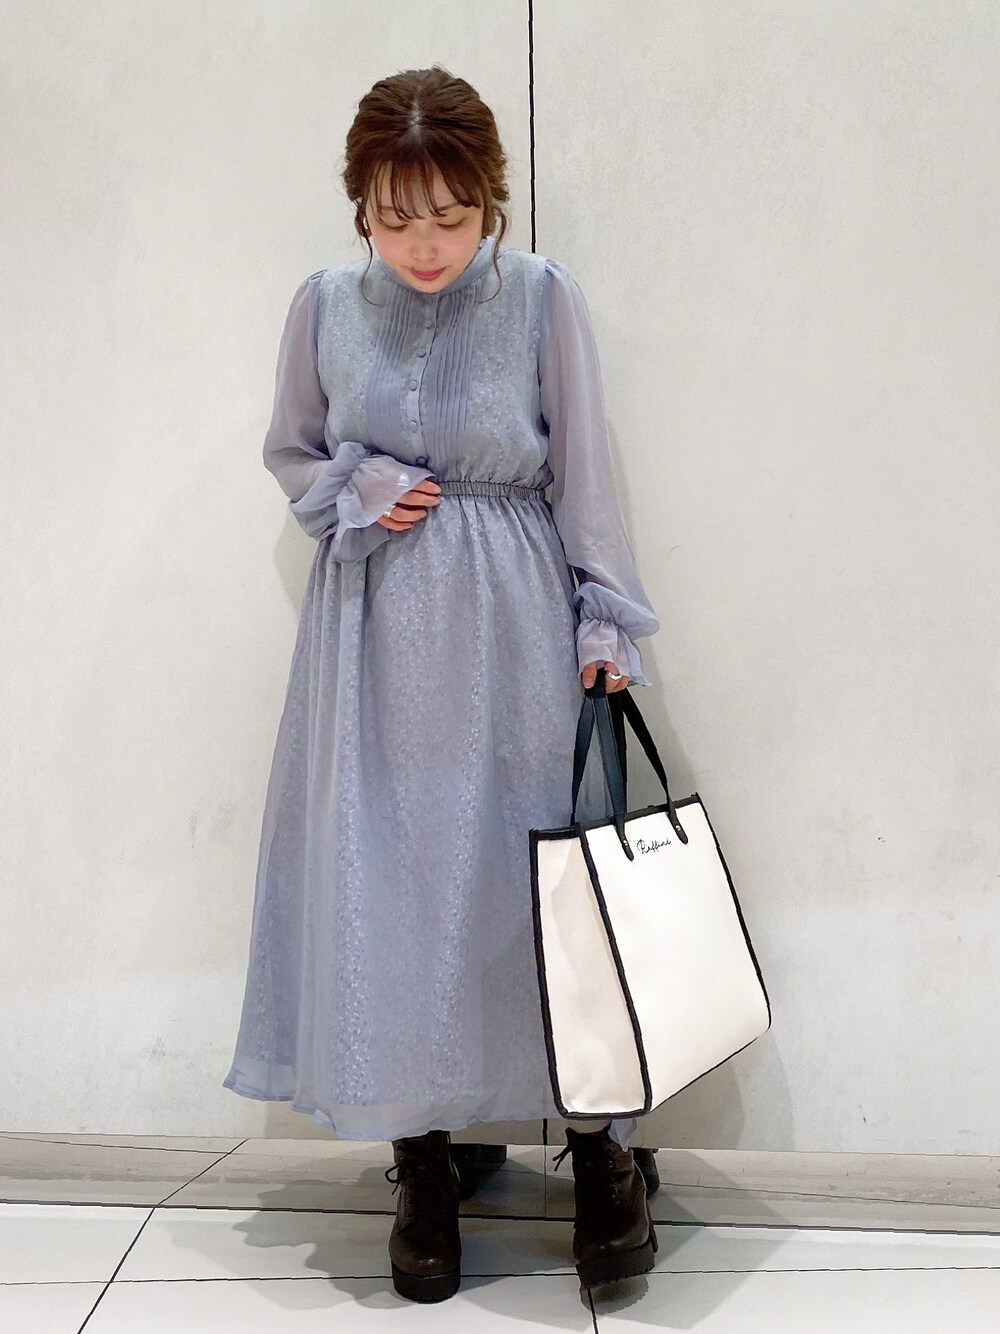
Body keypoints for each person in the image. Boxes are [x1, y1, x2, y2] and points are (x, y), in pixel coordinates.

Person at [222, 65, 661, 1302]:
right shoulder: (322, 305)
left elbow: (583, 472)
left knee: (541, 886)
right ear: (359, 204)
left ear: (490, 202)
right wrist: (356, 484)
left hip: (514, 622)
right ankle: (423, 1157)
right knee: (391, 888)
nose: (425, 244)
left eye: (452, 216)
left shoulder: (540, 298)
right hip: (369, 635)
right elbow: (291, 450)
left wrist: (604, 620)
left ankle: (601, 1152)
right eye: (396, 216)